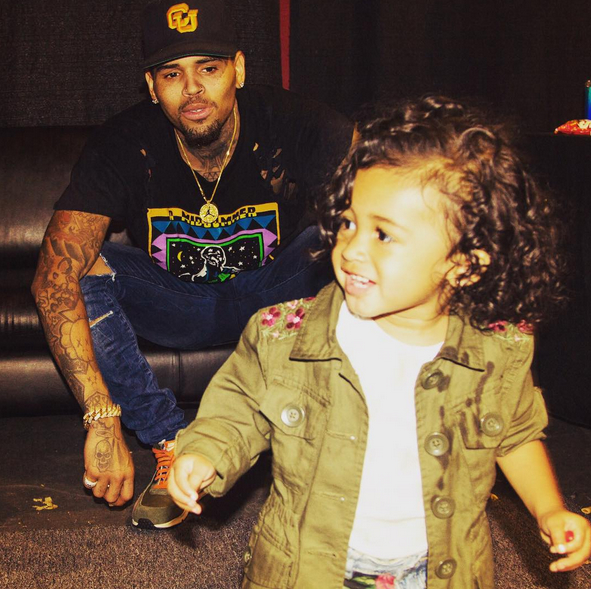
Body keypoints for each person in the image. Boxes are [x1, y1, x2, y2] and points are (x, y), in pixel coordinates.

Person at [168, 95, 591, 588]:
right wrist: (204, 453)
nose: (351, 249)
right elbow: (237, 409)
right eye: (349, 223)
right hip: (310, 568)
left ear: (465, 264)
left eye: (383, 235)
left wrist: (548, 508)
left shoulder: (498, 349)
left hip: (440, 570)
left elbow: (515, 434)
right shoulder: (283, 336)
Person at [30, 0, 354, 529]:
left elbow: (390, 205)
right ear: (152, 86)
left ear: (239, 70)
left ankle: (332, 434)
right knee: (81, 268)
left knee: (348, 235)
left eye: (209, 68)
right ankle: (170, 442)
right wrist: (101, 416)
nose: (193, 89)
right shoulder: (124, 143)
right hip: (181, 303)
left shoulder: (295, 122)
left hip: (281, 297)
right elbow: (53, 277)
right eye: (172, 74)